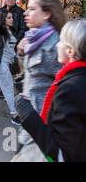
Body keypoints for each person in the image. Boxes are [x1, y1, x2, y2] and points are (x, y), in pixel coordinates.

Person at [15, 18, 86, 162]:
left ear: (71, 51)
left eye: (61, 41)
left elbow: (61, 153)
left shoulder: (70, 89)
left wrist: (27, 115)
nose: (57, 45)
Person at [12, 0, 66, 161]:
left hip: (43, 122)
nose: (25, 13)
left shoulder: (57, 45)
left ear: (47, 14)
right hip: (28, 117)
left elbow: (67, 86)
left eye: (31, 9)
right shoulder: (33, 38)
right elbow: (32, 71)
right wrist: (21, 52)